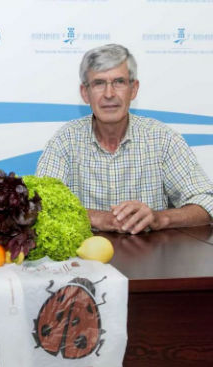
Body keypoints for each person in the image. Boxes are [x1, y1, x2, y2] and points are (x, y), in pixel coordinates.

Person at [36, 43, 213, 234]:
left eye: (119, 82)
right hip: (85, 259)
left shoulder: (163, 139)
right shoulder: (65, 141)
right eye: (99, 83)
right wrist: (97, 218)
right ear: (85, 93)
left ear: (134, 89)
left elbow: (206, 202)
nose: (109, 94)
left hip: (151, 258)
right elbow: (40, 204)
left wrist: (159, 217)